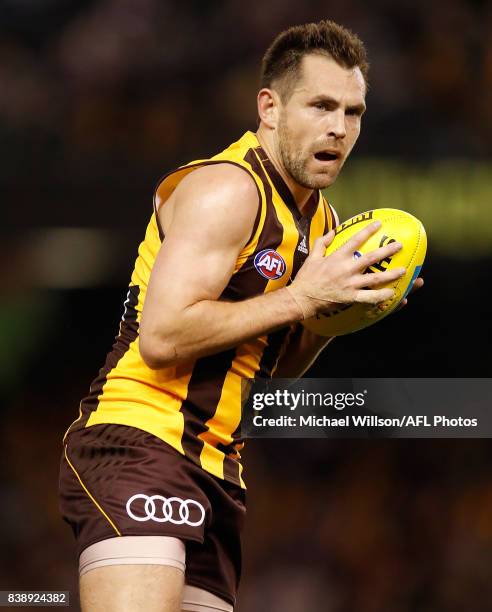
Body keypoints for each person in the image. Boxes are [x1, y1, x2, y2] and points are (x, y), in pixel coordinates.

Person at [59, 19, 422, 612]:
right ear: (270, 107)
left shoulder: (324, 226)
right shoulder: (229, 190)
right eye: (321, 105)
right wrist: (303, 298)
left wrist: (339, 315)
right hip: (138, 440)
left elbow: (268, 379)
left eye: (353, 112)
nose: (338, 127)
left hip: (219, 468)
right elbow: (162, 335)